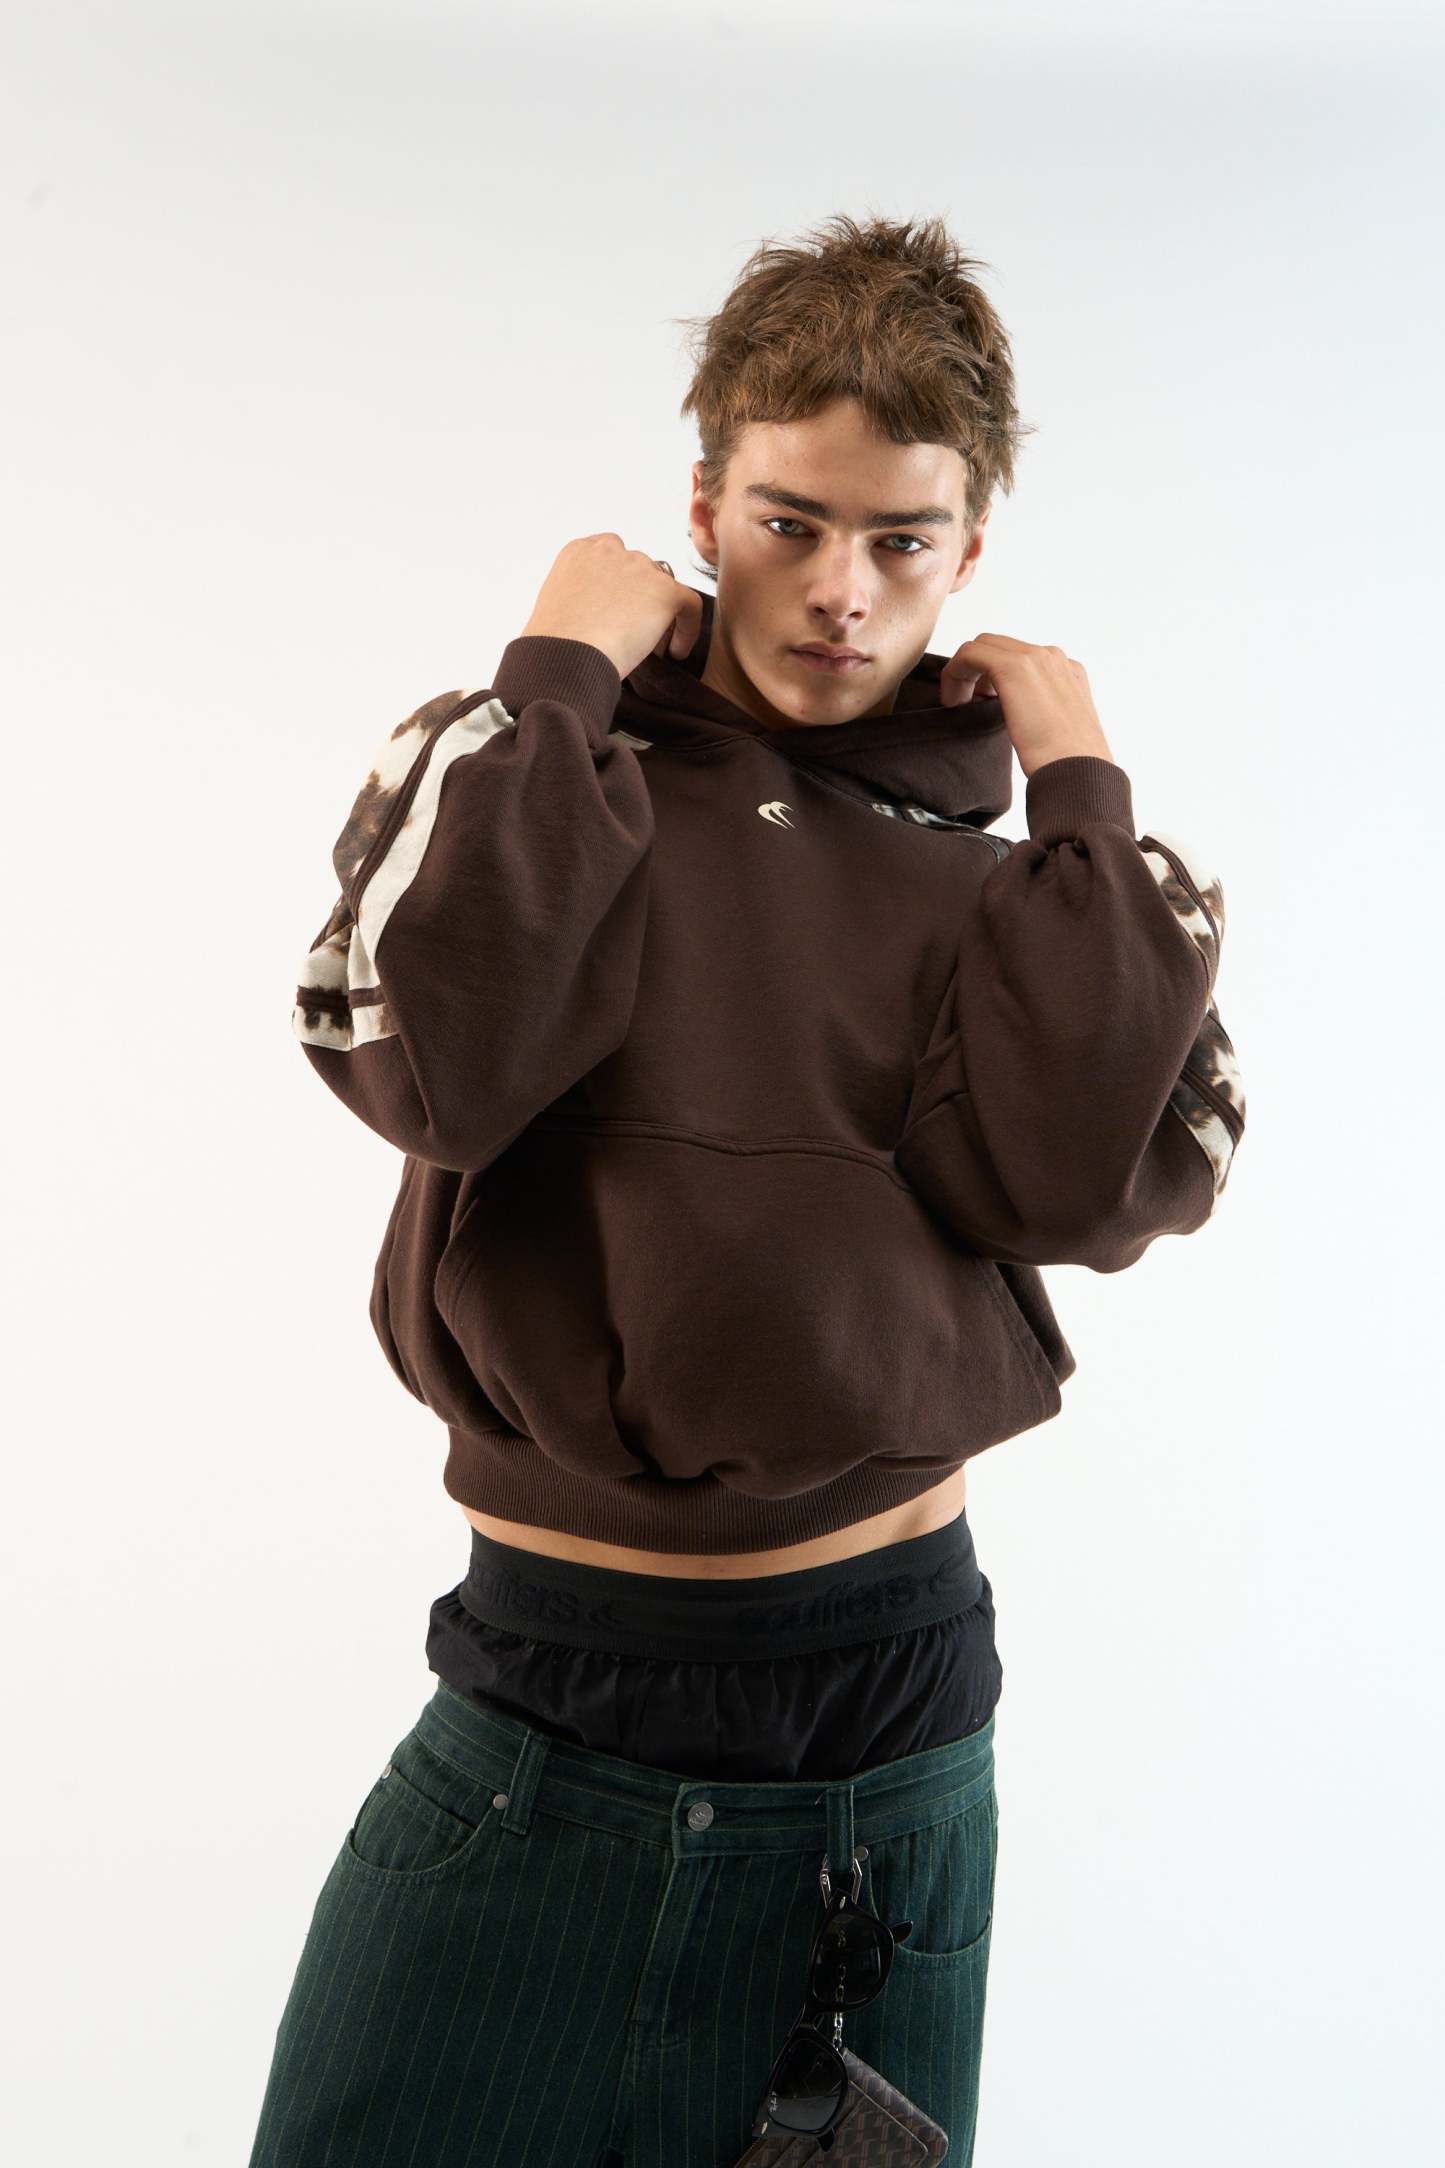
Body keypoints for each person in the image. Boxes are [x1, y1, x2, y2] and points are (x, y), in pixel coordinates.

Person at [249, 211, 1245, 2168]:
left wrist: (1083, 795)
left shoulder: (1025, 881)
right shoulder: (525, 766)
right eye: (790, 523)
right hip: (549, 1718)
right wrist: (557, 674)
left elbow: (1085, 1181)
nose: (841, 592)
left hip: (887, 1736)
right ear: (701, 506)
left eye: (902, 541)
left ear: (971, 554)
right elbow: (432, 1066)